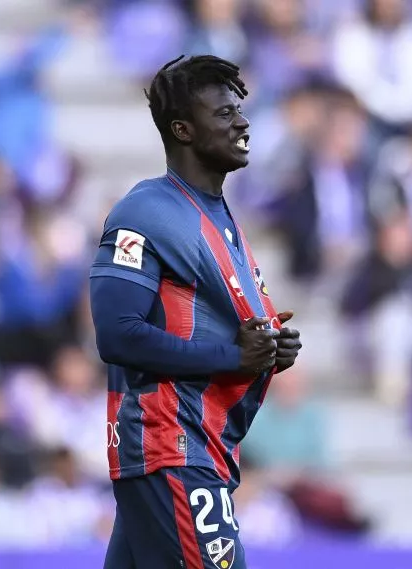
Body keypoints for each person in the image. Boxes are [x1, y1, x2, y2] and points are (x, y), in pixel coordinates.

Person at [88, 55, 302, 569]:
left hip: (203, 446)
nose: (242, 122)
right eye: (224, 113)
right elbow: (117, 335)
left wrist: (271, 348)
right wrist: (233, 356)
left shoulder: (220, 216)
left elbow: (216, 325)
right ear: (183, 130)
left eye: (239, 110)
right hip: (172, 446)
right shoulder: (146, 211)